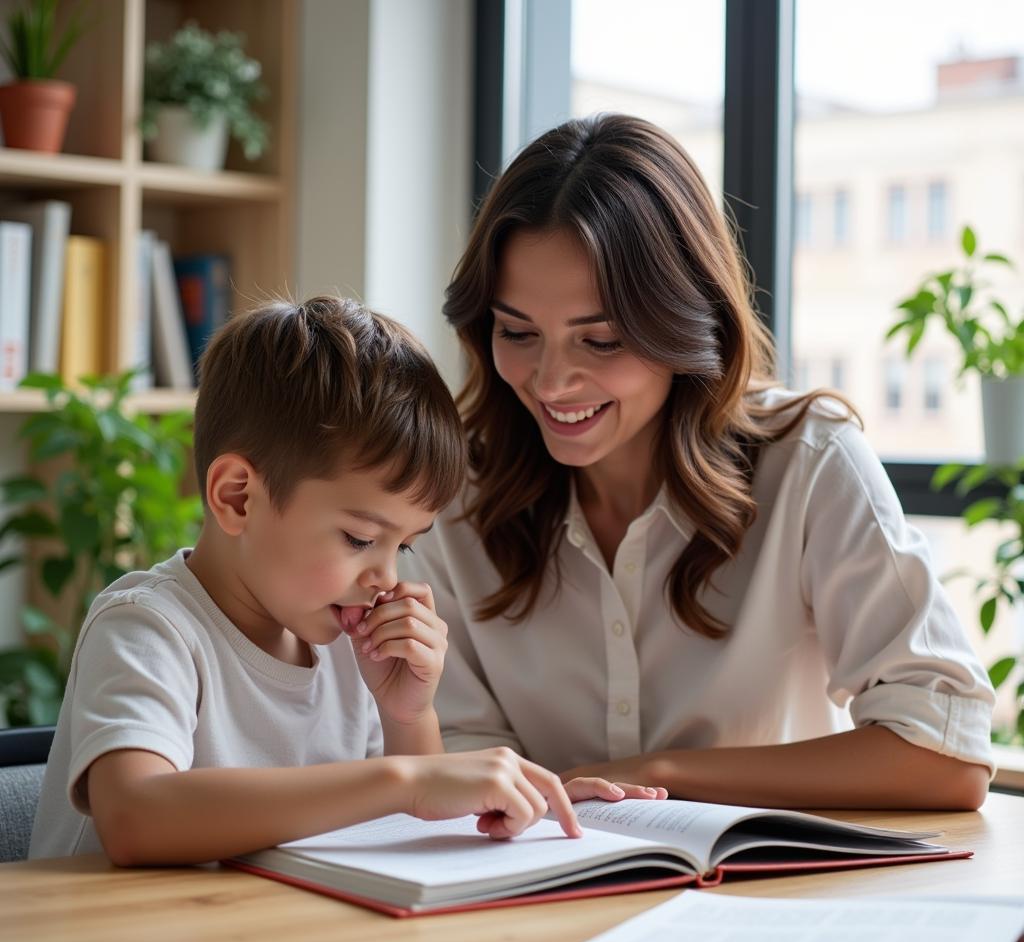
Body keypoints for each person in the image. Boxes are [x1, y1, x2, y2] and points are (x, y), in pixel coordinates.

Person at [414, 113, 995, 811]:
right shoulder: (455, 495)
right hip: (539, 906)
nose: (549, 381)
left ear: (685, 325)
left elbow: (946, 757)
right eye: (518, 332)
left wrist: (662, 772)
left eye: (599, 341)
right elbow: (456, 758)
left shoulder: (808, 461)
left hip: (768, 906)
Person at [30, 296, 661, 865]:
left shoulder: (340, 648)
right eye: (361, 539)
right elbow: (137, 817)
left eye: (405, 546)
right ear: (238, 497)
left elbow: (409, 823)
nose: (385, 578)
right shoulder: (150, 626)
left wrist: (409, 715)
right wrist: (405, 781)